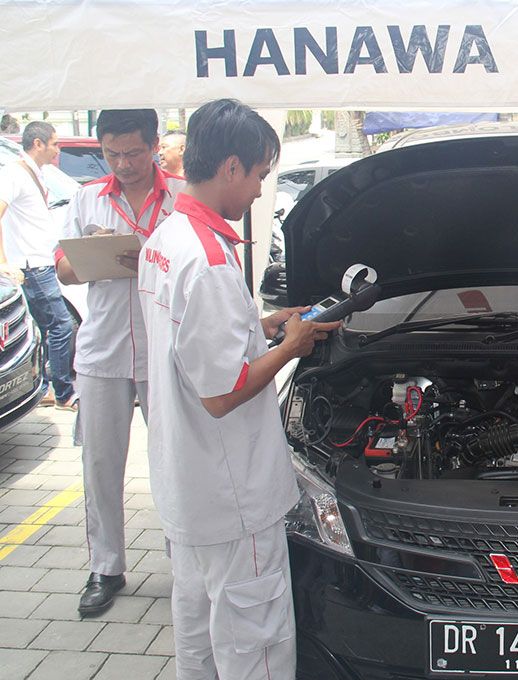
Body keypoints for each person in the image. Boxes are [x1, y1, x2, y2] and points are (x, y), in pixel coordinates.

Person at [137, 98, 340, 678]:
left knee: (200, 637)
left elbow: (192, 347)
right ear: (230, 167)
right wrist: (290, 349)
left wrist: (263, 325)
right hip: (235, 504)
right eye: (257, 175)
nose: (257, 191)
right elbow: (222, 394)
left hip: (189, 489)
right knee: (256, 648)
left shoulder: (166, 240)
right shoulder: (209, 262)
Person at [56, 109, 185, 616]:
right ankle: (105, 567)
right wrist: (95, 258)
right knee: (100, 464)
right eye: (112, 154)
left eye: (133, 152)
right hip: (102, 350)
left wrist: (151, 256)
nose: (124, 163)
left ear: (154, 144)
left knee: (176, 461)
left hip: (166, 350)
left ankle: (186, 561)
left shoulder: (181, 195)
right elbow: (63, 270)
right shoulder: (88, 197)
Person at [0, 121, 76, 409]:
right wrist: (3, 262)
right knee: (60, 326)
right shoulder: (14, 174)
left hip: (42, 261)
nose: (58, 150)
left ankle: (47, 388)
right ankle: (61, 392)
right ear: (38, 144)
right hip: (31, 265)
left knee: (49, 328)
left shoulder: (35, 173)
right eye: (55, 144)